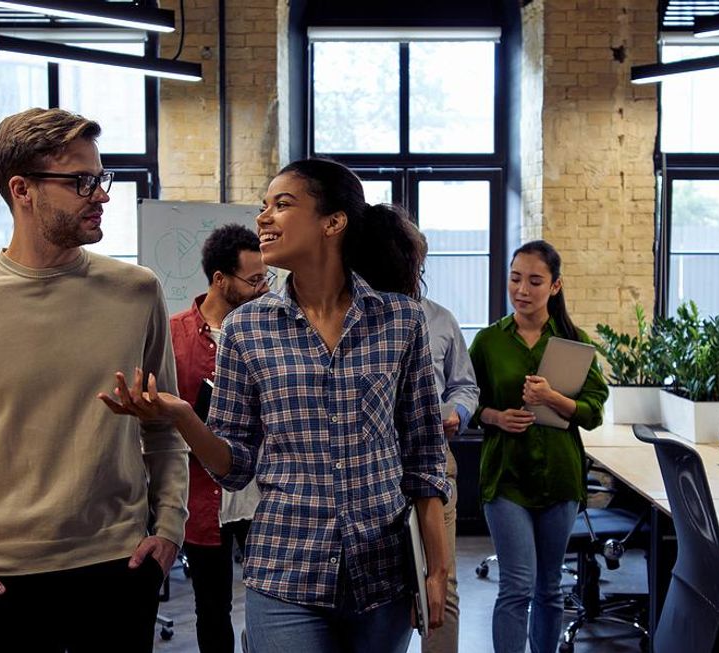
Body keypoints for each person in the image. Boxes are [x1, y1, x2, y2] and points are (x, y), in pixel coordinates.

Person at [100, 158, 450, 653]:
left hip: (382, 577)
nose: (263, 217)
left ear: (333, 222)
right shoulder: (247, 329)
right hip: (286, 572)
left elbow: (423, 458)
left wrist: (437, 571)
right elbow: (234, 467)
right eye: (263, 205)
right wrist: (182, 416)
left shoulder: (400, 321)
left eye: (282, 205)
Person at [0, 108, 189, 652]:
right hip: (6, 581)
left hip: (122, 567)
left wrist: (168, 528)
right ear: (21, 189)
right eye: (81, 182)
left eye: (101, 178)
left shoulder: (136, 290)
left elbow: (163, 427)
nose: (101, 195)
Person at [469, 240, 608, 653]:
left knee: (549, 588)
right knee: (517, 586)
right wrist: (495, 416)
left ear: (555, 286)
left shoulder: (574, 342)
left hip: (559, 479)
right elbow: (466, 402)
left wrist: (553, 399)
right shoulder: (488, 342)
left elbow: (594, 410)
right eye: (515, 279)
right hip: (506, 477)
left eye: (534, 281)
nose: (522, 290)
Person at [169, 223, 270, 653]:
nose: (263, 288)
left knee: (272, 601)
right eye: (254, 280)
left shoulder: (271, 331)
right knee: (212, 606)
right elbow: (159, 420)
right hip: (201, 492)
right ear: (219, 280)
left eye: (267, 278)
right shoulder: (174, 333)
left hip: (261, 489)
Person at [408, 226, 479, 653]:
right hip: (376, 468)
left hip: (436, 460)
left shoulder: (441, 319)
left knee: (442, 582)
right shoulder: (355, 315)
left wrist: (459, 411)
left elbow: (464, 385)